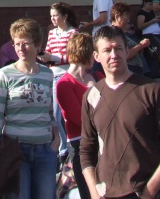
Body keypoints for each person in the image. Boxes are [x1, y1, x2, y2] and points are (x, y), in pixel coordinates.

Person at [81, 25, 160, 199]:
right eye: (107, 50)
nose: (113, 55)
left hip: (143, 191)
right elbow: (86, 150)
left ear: (127, 51)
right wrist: (94, 192)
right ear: (96, 56)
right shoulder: (91, 96)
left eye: (118, 49)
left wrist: (150, 190)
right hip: (105, 193)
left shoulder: (151, 90)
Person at [0, 18, 59, 199]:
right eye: (16, 43)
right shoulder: (5, 74)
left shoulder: (47, 74)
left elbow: (49, 110)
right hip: (16, 151)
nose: (20, 48)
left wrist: (56, 138)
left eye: (25, 43)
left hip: (45, 150)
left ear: (37, 45)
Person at [54, 32, 97, 199]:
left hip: (102, 141)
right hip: (80, 144)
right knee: (88, 192)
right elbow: (77, 118)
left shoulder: (98, 76)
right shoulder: (64, 83)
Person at [41, 1, 78, 156]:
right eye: (51, 16)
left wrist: (53, 57)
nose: (53, 19)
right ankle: (63, 147)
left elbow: (72, 56)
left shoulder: (73, 33)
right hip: (52, 74)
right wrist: (44, 57)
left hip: (66, 74)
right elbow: (48, 51)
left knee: (63, 113)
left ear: (65, 16)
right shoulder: (51, 33)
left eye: (56, 15)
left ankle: (67, 146)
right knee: (55, 114)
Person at [110, 1, 152, 75]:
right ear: (117, 16)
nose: (128, 20)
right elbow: (124, 54)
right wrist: (141, 45)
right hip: (128, 73)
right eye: (125, 17)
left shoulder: (121, 33)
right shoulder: (113, 33)